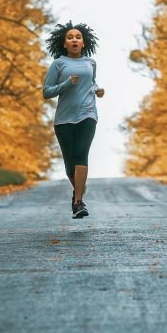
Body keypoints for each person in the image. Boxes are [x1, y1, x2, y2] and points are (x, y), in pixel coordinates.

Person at [42, 21, 105, 218]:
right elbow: (46, 92)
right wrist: (67, 84)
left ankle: (78, 202)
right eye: (70, 38)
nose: (74, 40)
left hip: (88, 115)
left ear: (84, 42)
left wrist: (97, 90)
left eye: (78, 37)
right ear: (64, 43)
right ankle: (78, 194)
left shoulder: (90, 63)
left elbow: (91, 83)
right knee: (70, 165)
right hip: (64, 119)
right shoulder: (58, 64)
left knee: (81, 154)